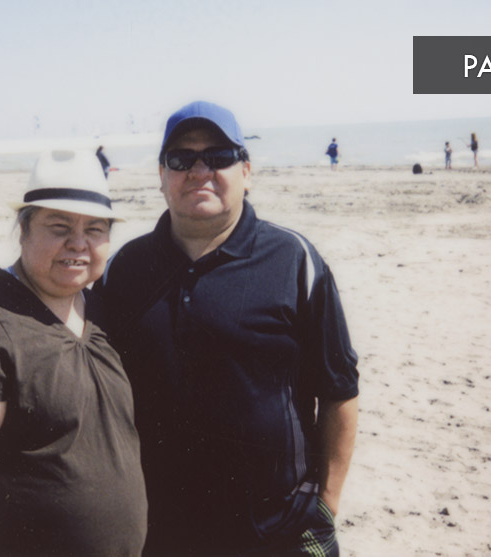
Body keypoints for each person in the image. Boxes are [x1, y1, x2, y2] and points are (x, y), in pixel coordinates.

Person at [96, 101, 360, 555]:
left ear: (247, 172)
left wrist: (326, 507)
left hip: (279, 531)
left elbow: (339, 390)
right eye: (182, 159)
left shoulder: (295, 261)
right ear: (162, 175)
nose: (200, 170)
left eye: (218, 157)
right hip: (159, 531)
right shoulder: (124, 269)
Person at [0, 149, 146, 556]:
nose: (78, 243)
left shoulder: (101, 312)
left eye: (94, 229)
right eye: (59, 226)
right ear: (24, 230)